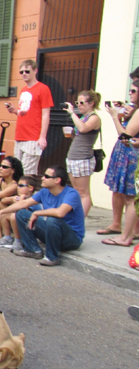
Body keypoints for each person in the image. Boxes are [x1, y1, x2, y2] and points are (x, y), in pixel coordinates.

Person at [0, 165, 84, 266]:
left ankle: (52, 257)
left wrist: (37, 213)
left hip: (71, 239)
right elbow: (24, 203)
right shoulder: (45, 191)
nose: (42, 178)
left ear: (57, 180)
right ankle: (32, 249)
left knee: (52, 219)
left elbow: (60, 212)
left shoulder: (71, 193)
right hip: (52, 233)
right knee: (22, 213)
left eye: (46, 176)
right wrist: (1, 212)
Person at [101, 80, 139, 245]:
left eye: (133, 90)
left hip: (133, 157)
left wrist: (115, 116)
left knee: (131, 199)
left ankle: (126, 237)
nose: (130, 93)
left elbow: (125, 136)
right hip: (131, 155)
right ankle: (128, 234)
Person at [6, 59, 53, 176]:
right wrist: (15, 111)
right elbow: (24, 112)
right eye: (21, 72)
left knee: (26, 173)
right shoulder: (24, 90)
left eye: (27, 71)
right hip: (20, 135)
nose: (24, 74)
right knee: (16, 172)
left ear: (35, 71)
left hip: (33, 136)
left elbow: (46, 114)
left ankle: (25, 194)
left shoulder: (43, 88)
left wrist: (42, 136)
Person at [63, 90, 101, 216]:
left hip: (83, 158)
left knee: (83, 192)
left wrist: (72, 113)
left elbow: (83, 128)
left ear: (92, 103)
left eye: (82, 102)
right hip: (73, 157)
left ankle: (80, 220)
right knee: (76, 191)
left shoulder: (94, 118)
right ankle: (75, 216)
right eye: (77, 102)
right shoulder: (83, 117)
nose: (79, 105)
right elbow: (80, 135)